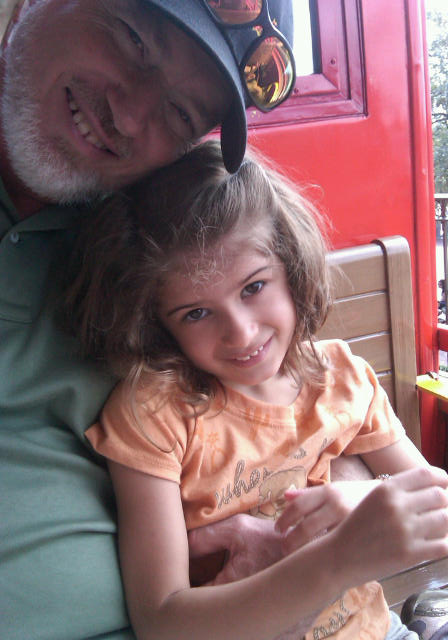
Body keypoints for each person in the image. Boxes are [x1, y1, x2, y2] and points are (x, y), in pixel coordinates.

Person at [67, 140, 448, 640]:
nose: (241, 333)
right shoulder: (154, 415)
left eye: (253, 287)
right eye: (196, 313)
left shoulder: (340, 376)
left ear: (291, 265)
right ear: (157, 323)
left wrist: (363, 497)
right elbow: (161, 620)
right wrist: (337, 557)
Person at [0, 2, 298, 638]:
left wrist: (327, 507)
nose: (130, 115)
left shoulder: (152, 252)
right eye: (133, 40)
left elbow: (299, 398)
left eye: (180, 114)